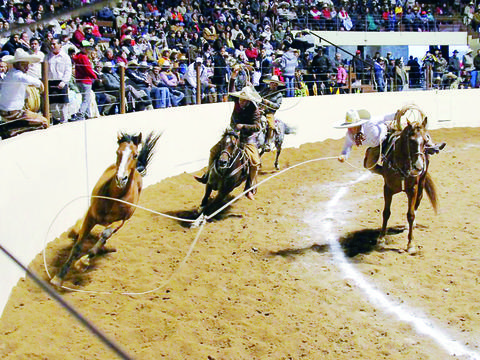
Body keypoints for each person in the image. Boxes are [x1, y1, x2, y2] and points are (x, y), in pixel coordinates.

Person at [195, 85, 263, 200]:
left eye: (244, 100)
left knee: (255, 162)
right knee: (214, 150)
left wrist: (244, 126)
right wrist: (232, 78)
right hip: (233, 133)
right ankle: (208, 174)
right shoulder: (236, 103)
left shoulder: (254, 110)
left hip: (247, 138)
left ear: (248, 101)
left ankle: (249, 187)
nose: (241, 101)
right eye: (240, 99)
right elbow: (230, 91)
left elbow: (257, 127)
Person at [336, 108, 445, 175]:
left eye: (353, 126)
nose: (350, 128)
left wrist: (397, 115)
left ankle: (431, 146)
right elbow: (347, 147)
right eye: (349, 126)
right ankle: (386, 173)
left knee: (413, 132)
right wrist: (344, 156)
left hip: (388, 132)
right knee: (369, 165)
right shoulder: (350, 135)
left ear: (359, 124)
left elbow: (384, 117)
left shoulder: (370, 123)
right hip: (376, 146)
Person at [0, 48, 48, 138]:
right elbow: (30, 80)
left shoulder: (10, 74)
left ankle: (12, 128)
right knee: (44, 122)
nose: (27, 67)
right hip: (13, 112)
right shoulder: (17, 75)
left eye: (27, 65)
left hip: (4, 110)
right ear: (18, 64)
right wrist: (40, 84)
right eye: (24, 65)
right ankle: (12, 130)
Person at [46, 38, 72, 124]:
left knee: (63, 103)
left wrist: (64, 82)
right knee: (52, 103)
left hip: (61, 81)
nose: (52, 46)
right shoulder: (47, 57)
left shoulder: (65, 57)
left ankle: (64, 121)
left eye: (54, 44)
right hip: (50, 82)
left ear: (60, 45)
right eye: (51, 44)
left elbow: (68, 70)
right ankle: (54, 120)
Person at [72, 40, 97, 121]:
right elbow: (88, 69)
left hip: (79, 80)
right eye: (86, 48)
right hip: (86, 80)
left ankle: (88, 114)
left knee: (86, 98)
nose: (88, 50)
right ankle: (80, 115)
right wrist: (95, 77)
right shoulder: (84, 57)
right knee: (86, 99)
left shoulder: (77, 56)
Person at [259, 75, 284, 151]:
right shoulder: (265, 90)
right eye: (272, 83)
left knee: (271, 126)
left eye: (274, 83)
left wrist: (268, 102)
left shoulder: (279, 95)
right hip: (260, 110)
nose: (273, 84)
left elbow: (277, 106)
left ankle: (268, 142)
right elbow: (258, 96)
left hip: (269, 112)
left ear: (277, 84)